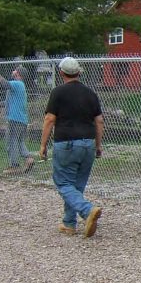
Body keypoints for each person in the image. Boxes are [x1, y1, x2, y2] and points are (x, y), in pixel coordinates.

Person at [38, 57, 104, 238]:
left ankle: (87, 210)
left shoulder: (58, 92)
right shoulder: (90, 93)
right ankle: (69, 224)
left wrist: (43, 145)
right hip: (88, 143)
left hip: (66, 143)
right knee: (77, 185)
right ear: (79, 72)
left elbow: (50, 119)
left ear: (61, 73)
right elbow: (99, 121)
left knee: (63, 183)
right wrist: (98, 145)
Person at [0, 64, 34, 174]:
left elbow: (4, 83)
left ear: (18, 73)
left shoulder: (17, 84)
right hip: (21, 120)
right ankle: (29, 158)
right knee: (19, 142)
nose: (13, 71)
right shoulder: (19, 86)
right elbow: (8, 102)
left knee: (11, 143)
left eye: (15, 70)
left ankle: (14, 166)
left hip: (14, 119)